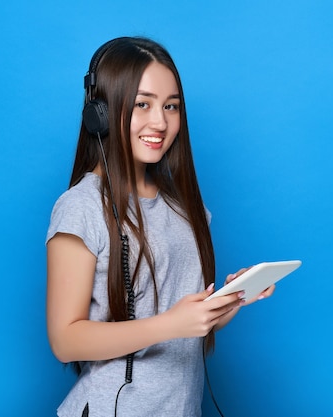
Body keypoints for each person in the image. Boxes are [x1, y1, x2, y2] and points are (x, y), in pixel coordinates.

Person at [45, 36, 274, 417]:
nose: (160, 122)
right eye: (142, 104)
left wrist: (226, 303)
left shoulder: (187, 207)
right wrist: (170, 324)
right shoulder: (81, 208)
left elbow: (181, 324)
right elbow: (65, 339)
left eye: (171, 106)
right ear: (99, 113)